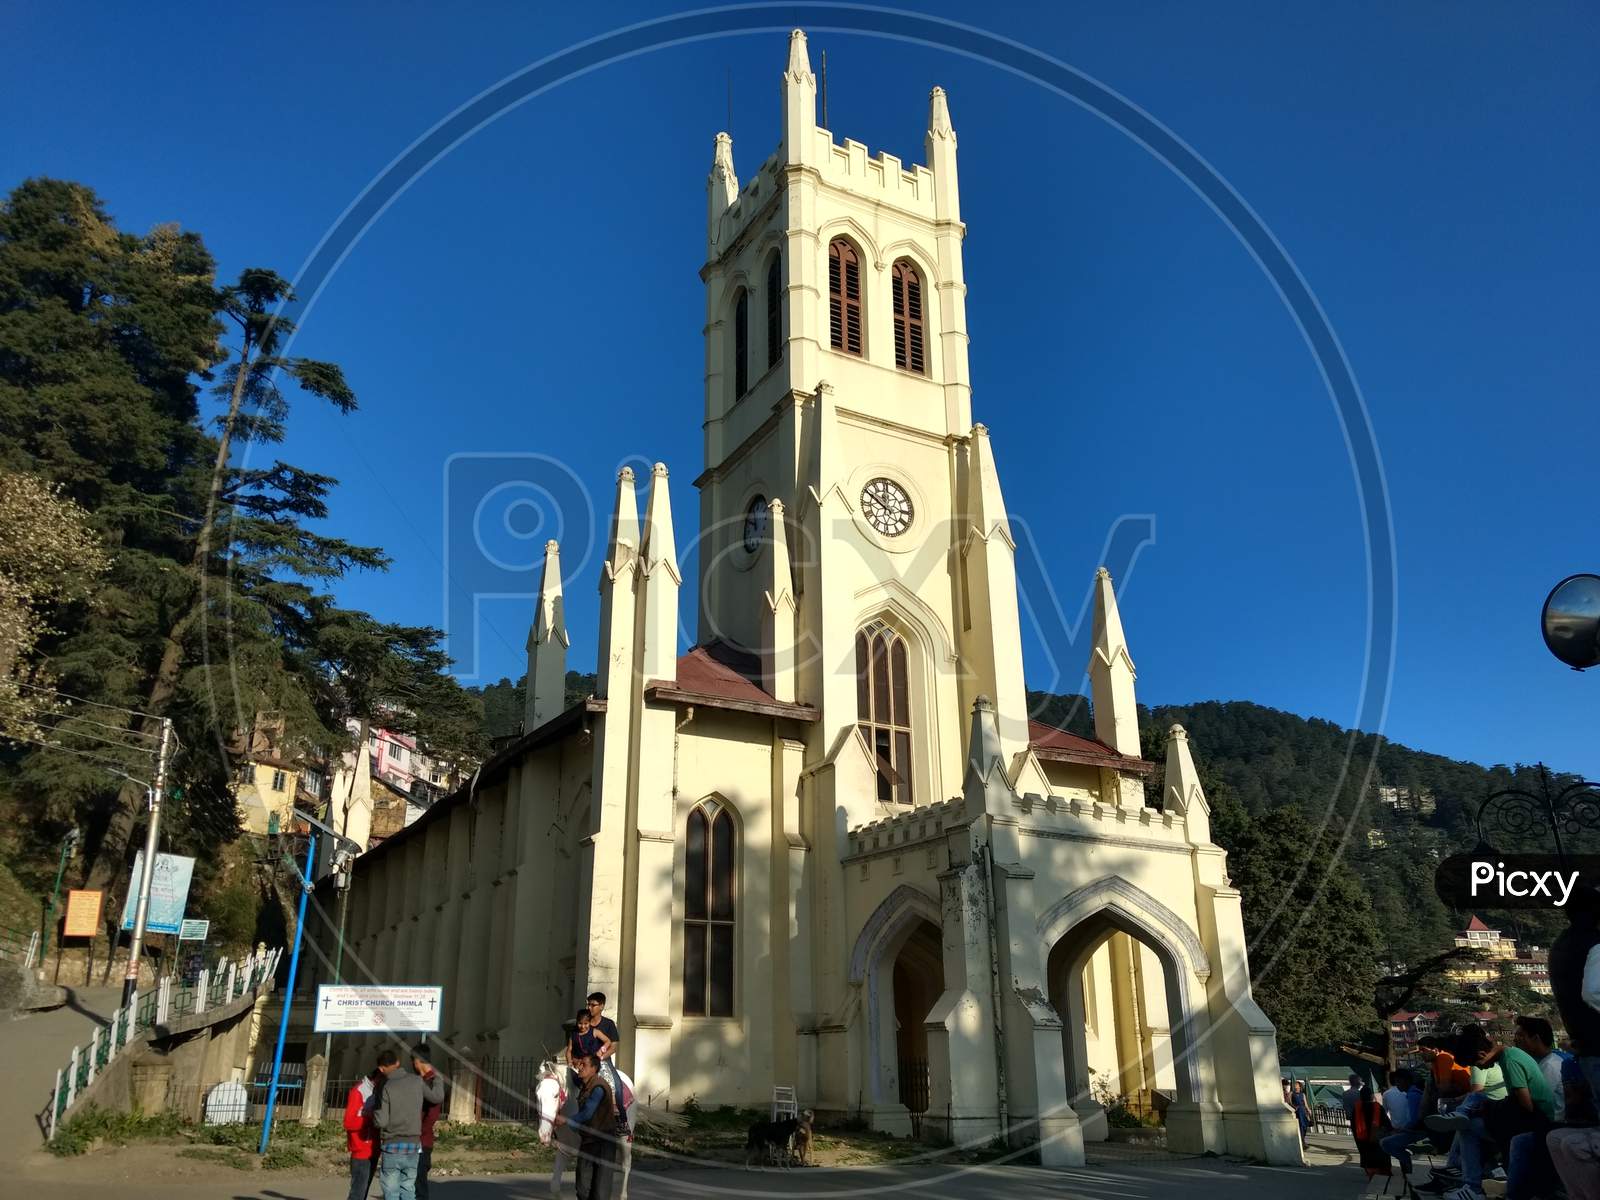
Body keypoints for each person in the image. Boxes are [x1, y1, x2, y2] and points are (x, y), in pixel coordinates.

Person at [1425, 1024, 1555, 1200]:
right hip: (1530, 1120)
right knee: (1471, 1118)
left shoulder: (1510, 1062)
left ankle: (1472, 1187)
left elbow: (1527, 1106)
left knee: (1469, 1122)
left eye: (1477, 1065)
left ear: (1481, 1055)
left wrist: (1490, 1108)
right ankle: (1472, 1183)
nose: (1481, 1069)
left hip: (1537, 1122)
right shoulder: (1509, 1055)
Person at [373, 1048, 447, 1200]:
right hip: (414, 1144)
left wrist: (375, 1113)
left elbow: (382, 1121)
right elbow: (437, 1097)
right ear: (398, 1063)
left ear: (381, 1068)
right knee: (408, 1188)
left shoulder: (387, 1086)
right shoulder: (417, 1081)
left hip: (395, 1143)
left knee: (393, 1191)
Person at [555, 1053, 616, 1200]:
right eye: (580, 1064)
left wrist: (566, 1121)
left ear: (594, 1068)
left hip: (603, 1144)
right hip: (588, 1142)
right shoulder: (586, 1086)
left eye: (584, 1065)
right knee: (582, 1189)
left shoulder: (599, 1087)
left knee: (600, 1192)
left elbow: (587, 1113)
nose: (580, 1067)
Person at [343, 1062, 384, 1200]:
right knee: (358, 1192)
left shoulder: (378, 1092)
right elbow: (349, 1122)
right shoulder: (358, 1091)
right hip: (361, 1149)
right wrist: (370, 1118)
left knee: (363, 1190)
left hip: (373, 1148)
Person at [412, 1046, 445, 1200]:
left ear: (418, 1061)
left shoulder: (433, 1082)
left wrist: (419, 1131)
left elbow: (432, 1115)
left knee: (419, 1183)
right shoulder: (425, 1080)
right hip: (418, 1137)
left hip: (422, 1139)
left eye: (413, 1061)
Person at [1352, 1084, 1394, 1184]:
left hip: (1362, 1139)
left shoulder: (1357, 1108)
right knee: (1381, 1158)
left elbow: (1353, 1125)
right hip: (1377, 1138)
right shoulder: (1377, 1107)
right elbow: (1387, 1123)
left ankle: (1372, 1175)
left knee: (1368, 1158)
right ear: (1371, 1096)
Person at [1290, 1078, 1316, 1147]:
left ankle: (1303, 1138)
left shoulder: (1303, 1094)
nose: (1295, 1086)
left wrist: (1309, 1111)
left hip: (1303, 1110)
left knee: (1304, 1126)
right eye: (1295, 1084)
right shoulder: (1292, 1093)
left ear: (1299, 1086)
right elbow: (1289, 1102)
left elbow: (1306, 1104)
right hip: (1297, 1111)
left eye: (1296, 1085)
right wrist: (1294, 1107)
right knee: (1300, 1125)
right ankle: (1302, 1141)